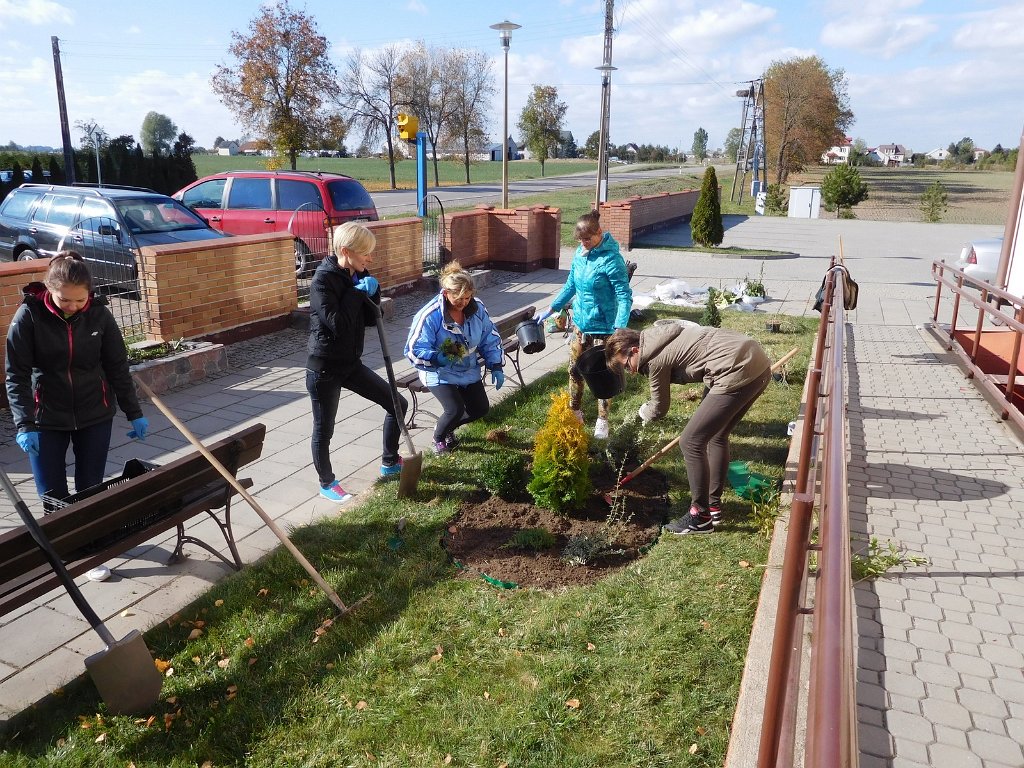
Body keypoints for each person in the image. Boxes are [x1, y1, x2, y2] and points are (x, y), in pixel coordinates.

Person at [5, 251, 149, 509]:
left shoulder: (99, 314)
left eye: (80, 300)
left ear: (89, 292)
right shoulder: (29, 316)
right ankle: (61, 547)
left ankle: (91, 542)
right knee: (53, 495)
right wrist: (25, 424)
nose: (73, 306)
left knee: (91, 490)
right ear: (49, 289)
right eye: (65, 300)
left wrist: (134, 412)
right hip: (47, 418)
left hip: (95, 413)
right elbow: (17, 374)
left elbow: (116, 366)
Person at [605, 323, 772, 535]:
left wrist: (641, 413)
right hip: (756, 363)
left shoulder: (654, 359)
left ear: (635, 350)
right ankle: (712, 507)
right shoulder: (660, 334)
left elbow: (659, 408)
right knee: (717, 435)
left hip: (735, 369)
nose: (630, 371)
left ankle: (699, 517)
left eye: (627, 365)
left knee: (691, 442)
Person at [305, 221, 408, 503]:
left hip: (350, 364)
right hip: (324, 367)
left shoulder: (356, 272)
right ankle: (327, 483)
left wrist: (372, 293)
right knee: (324, 428)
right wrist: (355, 293)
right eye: (366, 253)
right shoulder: (323, 281)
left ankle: (389, 462)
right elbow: (337, 323)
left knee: (397, 403)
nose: (370, 258)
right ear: (347, 251)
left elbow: (368, 319)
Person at [537, 210, 632, 440]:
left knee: (604, 376)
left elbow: (624, 295)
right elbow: (571, 285)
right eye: (580, 240)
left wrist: (620, 326)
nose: (583, 244)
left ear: (599, 233)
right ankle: (575, 413)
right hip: (581, 325)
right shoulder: (580, 254)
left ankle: (602, 420)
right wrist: (552, 307)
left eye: (587, 239)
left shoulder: (611, 259)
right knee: (574, 370)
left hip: (605, 328)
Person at [404, 261, 505, 454]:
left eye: (467, 298)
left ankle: (448, 428)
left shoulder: (477, 309)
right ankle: (439, 438)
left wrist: (496, 365)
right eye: (458, 299)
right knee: (454, 409)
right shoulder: (430, 315)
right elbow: (413, 349)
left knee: (480, 409)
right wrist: (437, 358)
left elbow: (489, 337)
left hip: (467, 368)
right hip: (439, 371)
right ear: (445, 293)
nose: (463, 303)